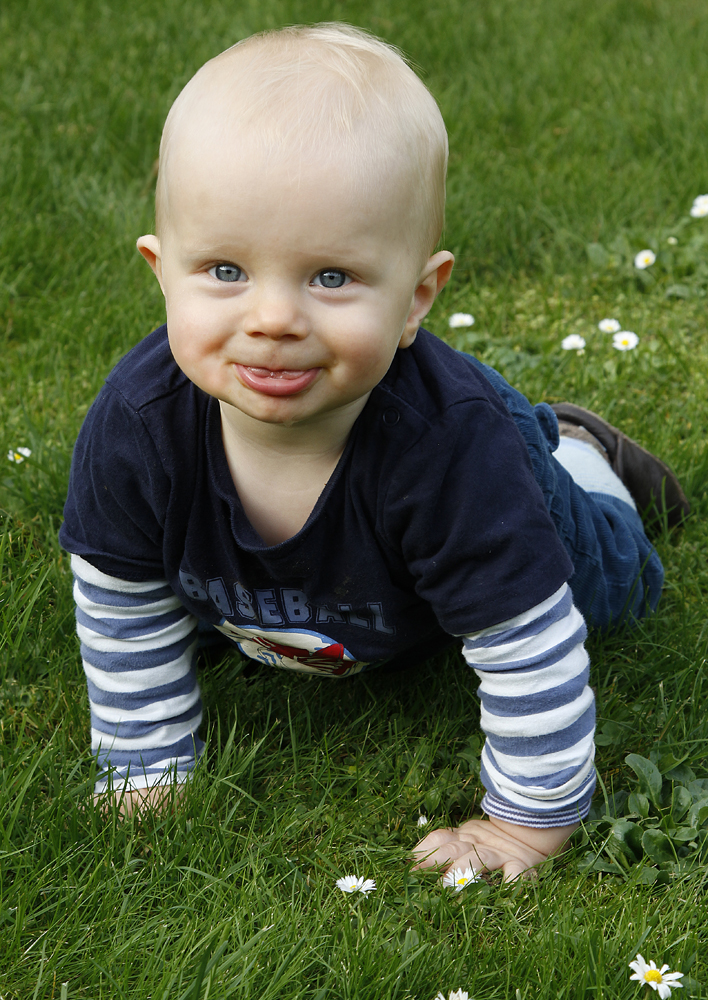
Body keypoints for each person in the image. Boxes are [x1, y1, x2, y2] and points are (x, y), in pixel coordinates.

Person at [59, 23, 689, 881]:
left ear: (417, 296)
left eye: (330, 277)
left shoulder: (447, 452)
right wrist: (144, 764)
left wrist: (522, 828)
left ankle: (578, 453)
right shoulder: (139, 427)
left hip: (509, 489)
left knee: (614, 586)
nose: (274, 319)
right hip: (344, 580)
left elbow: (526, 646)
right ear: (160, 269)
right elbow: (123, 599)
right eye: (225, 271)